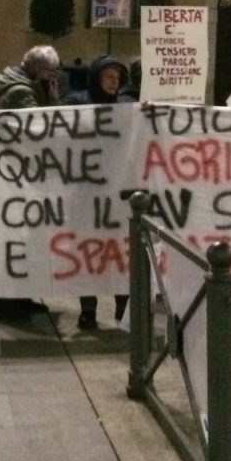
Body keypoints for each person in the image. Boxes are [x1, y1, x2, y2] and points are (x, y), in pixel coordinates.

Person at [0, 45, 62, 321]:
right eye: (50, 71)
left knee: (20, 240)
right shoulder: (22, 92)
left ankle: (19, 297)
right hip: (20, 175)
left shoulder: (14, 82)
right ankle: (10, 303)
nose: (53, 76)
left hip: (14, 173)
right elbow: (42, 129)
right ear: (39, 70)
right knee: (20, 240)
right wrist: (53, 99)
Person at [64, 54, 131, 329]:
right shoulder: (75, 103)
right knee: (87, 251)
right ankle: (88, 310)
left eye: (118, 79)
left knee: (120, 252)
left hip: (116, 194)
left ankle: (123, 307)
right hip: (84, 193)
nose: (114, 83)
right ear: (96, 77)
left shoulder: (126, 107)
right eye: (109, 77)